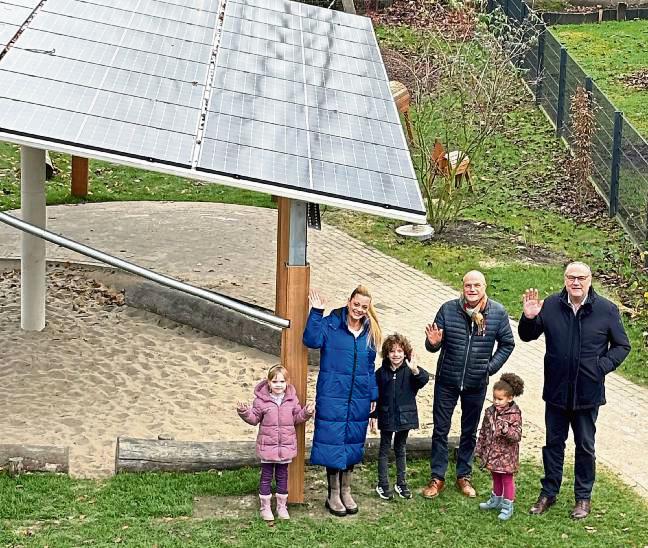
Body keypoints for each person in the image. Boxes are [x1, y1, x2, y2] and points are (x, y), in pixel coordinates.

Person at [519, 261, 631, 519]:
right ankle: (548, 493)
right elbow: (527, 336)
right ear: (565, 279)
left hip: (587, 393)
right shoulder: (551, 305)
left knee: (585, 447)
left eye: (581, 278)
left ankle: (583, 498)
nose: (576, 283)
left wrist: (600, 366)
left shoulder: (606, 310)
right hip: (556, 391)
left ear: (590, 280)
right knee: (553, 444)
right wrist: (529, 317)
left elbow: (622, 346)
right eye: (571, 278)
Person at [422, 270, 515, 499]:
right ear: (462, 287)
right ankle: (437, 477)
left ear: (485, 287)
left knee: (469, 431)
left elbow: (507, 343)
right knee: (440, 429)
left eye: (476, 285)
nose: (472, 290)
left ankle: (464, 475)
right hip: (447, 380)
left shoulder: (497, 313)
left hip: (476, 382)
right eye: (468, 286)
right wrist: (432, 344)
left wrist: (488, 368)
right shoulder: (448, 309)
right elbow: (432, 343)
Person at [303, 286, 381, 517]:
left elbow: (370, 367)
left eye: (364, 307)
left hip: (358, 395)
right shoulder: (331, 324)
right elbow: (311, 339)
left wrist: (373, 395)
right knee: (333, 440)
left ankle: (346, 490)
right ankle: (333, 493)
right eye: (356, 304)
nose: (358, 309)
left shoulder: (369, 332)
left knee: (352, 441)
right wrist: (316, 311)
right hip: (333, 393)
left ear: (368, 309)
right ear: (349, 302)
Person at [237, 364, 314, 521]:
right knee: (266, 476)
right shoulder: (261, 402)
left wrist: (306, 412)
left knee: (282, 476)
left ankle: (281, 506)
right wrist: (244, 412)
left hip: (285, 447)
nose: (278, 385)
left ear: (287, 383)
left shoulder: (292, 400)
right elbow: (254, 419)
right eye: (275, 382)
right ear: (268, 383)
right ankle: (265, 507)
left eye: (282, 382)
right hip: (268, 447)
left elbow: (296, 419)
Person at [371, 333, 429, 500]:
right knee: (384, 449)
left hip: (405, 416)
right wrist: (374, 415)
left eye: (399, 351)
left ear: (405, 353)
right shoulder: (380, 373)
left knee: (400, 448)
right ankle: (383, 484)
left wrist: (415, 369)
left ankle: (401, 483)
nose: (396, 354)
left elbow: (423, 380)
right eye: (392, 351)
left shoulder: (411, 371)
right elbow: (376, 396)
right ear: (387, 354)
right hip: (386, 415)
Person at [475, 373, 525, 521]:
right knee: (495, 476)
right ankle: (496, 500)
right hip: (492, 453)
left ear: (510, 398)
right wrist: (480, 448)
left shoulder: (514, 414)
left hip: (506, 455)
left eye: (500, 399)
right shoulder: (490, 412)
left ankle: (507, 505)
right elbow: (484, 431)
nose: (496, 401)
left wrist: (505, 430)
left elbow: (517, 436)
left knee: (507, 479)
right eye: (494, 398)